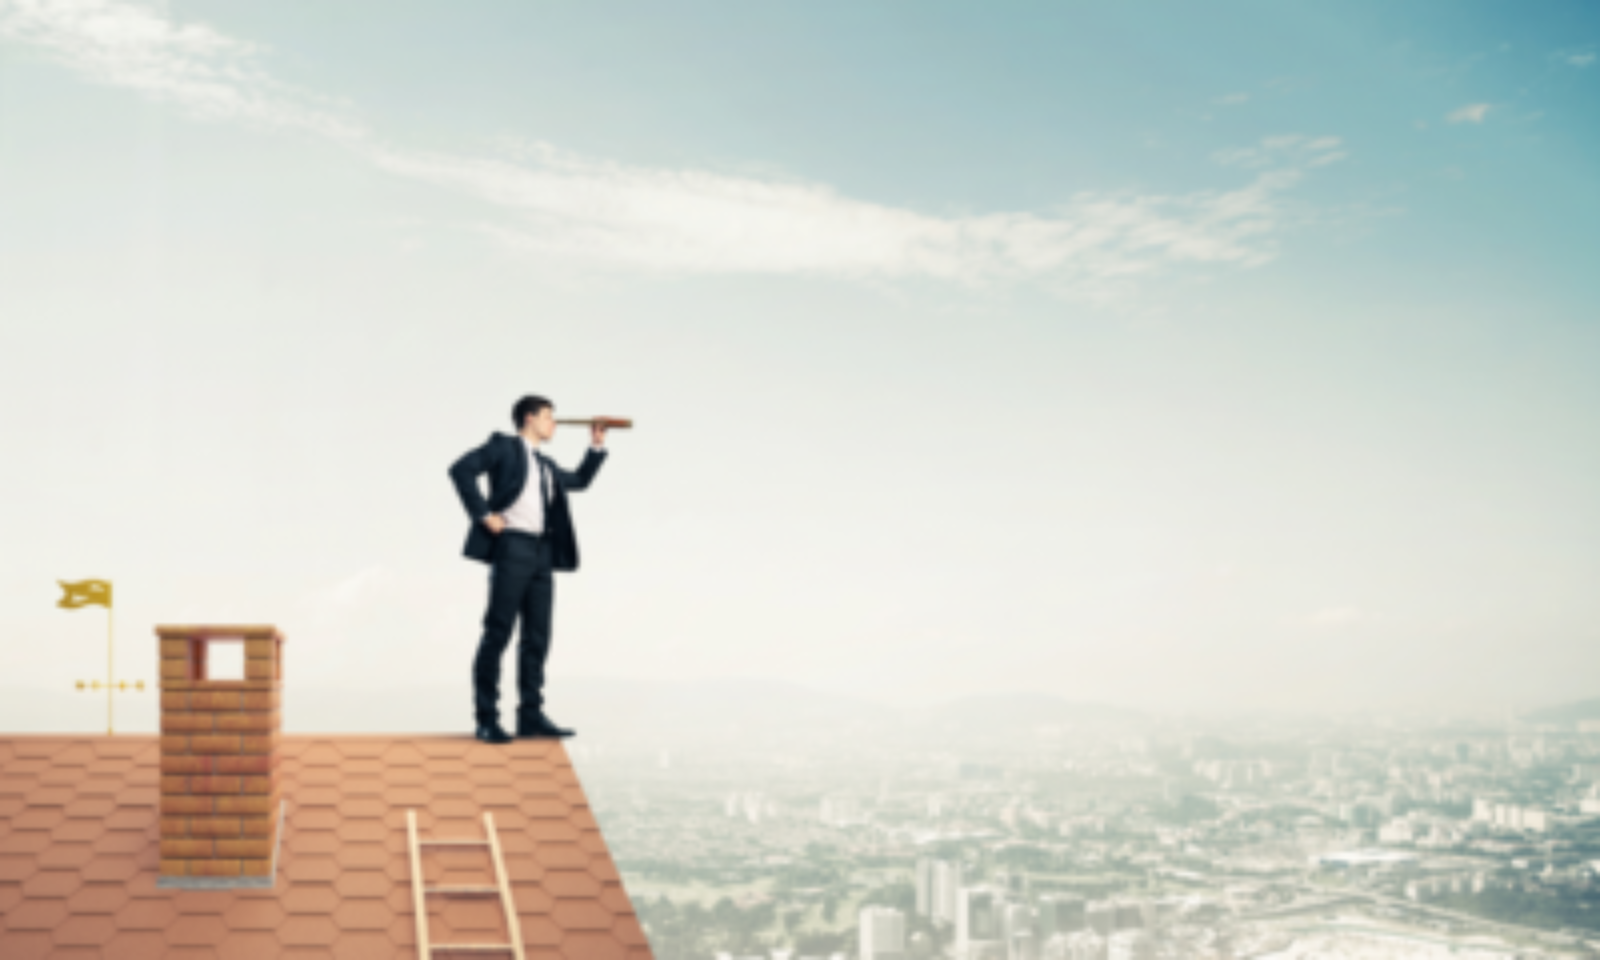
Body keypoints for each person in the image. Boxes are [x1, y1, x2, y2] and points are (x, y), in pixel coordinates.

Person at [448, 395, 610, 744]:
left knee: (537, 637)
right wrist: (483, 514)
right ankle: (487, 718)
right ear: (529, 418)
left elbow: (580, 480)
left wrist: (595, 447)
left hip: (542, 554)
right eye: (549, 417)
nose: (554, 424)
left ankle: (530, 715)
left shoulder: (547, 465)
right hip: (512, 546)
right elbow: (460, 469)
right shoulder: (503, 446)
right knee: (498, 633)